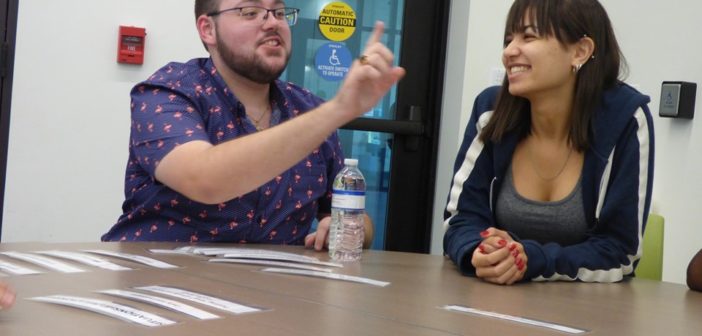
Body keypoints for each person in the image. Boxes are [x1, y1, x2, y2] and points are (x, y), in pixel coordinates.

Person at [102, 0, 404, 249]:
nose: (272, 22)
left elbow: (356, 218)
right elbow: (203, 178)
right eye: (250, 12)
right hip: (161, 288)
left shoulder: (309, 109)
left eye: (279, 12)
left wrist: (345, 228)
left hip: (272, 298)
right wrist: (340, 109)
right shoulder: (167, 92)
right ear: (208, 29)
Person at [443, 0, 654, 285]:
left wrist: (531, 259)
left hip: (589, 315)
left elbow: (620, 251)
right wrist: (481, 251)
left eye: (528, 36)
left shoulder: (625, 119)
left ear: (580, 51)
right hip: (492, 303)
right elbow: (459, 220)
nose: (509, 51)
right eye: (508, 39)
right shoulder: (490, 110)